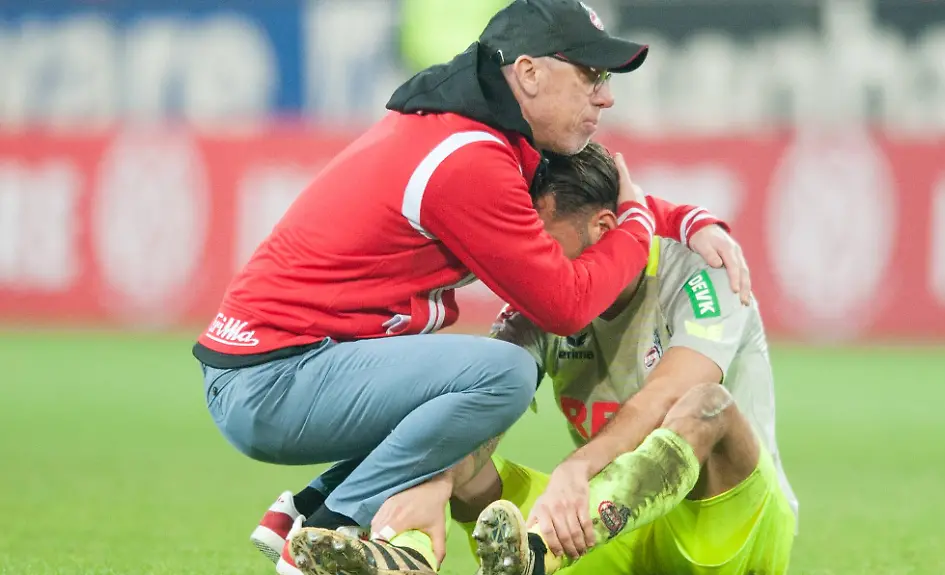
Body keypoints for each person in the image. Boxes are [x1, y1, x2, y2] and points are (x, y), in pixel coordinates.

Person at [195, 1, 750, 574]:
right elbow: (567, 306)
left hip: (281, 366)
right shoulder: (469, 159)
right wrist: (636, 228)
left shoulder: (478, 134)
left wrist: (682, 219)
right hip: (274, 381)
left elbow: (587, 204)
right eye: (590, 75)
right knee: (502, 375)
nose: (605, 96)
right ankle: (335, 524)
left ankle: (305, 512)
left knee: (460, 391)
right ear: (529, 73)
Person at [284, 142, 796, 575]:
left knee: (707, 404)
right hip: (607, 529)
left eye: (543, 244)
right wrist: (437, 483)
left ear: (604, 228)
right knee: (449, 444)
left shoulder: (705, 271)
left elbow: (667, 396)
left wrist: (580, 466)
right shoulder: (541, 303)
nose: (531, 264)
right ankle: (406, 553)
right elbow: (474, 414)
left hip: (732, 531)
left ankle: (537, 555)